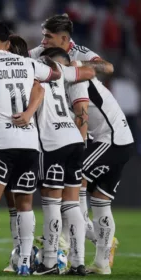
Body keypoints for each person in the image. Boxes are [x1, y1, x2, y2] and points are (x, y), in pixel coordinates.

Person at [0, 21, 57, 276]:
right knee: (25, 204)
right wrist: (28, 111)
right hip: (30, 142)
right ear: (8, 43)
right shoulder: (28, 64)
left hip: (1, 142)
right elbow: (53, 76)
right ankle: (25, 264)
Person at [29, 13, 118, 263]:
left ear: (65, 39)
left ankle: (66, 248)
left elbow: (108, 68)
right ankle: (89, 244)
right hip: (66, 130)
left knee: (71, 195)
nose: (43, 41)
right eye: (43, 35)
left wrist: (75, 68)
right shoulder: (38, 53)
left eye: (48, 37)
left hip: (92, 133)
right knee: (69, 197)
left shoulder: (80, 53)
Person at [31, 47, 96, 276]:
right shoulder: (61, 70)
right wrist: (75, 67)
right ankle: (78, 262)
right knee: (72, 204)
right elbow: (89, 72)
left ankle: (49, 263)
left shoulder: (35, 71)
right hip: (74, 138)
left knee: (51, 203)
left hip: (53, 143)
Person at [65, 62, 134, 275]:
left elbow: (82, 118)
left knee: (71, 184)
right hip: (121, 141)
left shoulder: (76, 80)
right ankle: (102, 263)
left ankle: (70, 252)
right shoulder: (77, 75)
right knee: (101, 202)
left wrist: (77, 150)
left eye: (49, 37)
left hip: (109, 140)